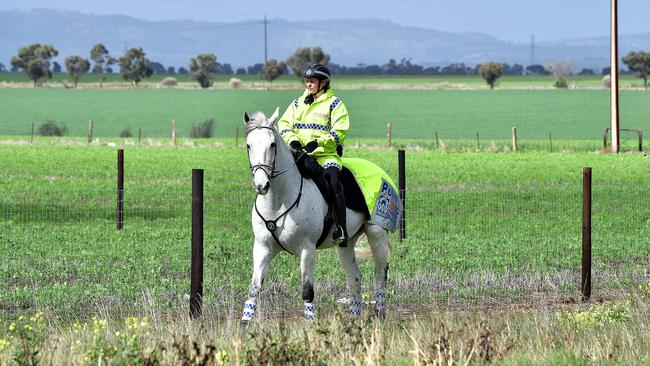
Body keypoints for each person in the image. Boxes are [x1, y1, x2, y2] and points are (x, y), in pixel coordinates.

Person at [278, 63, 350, 247]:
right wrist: (293, 141)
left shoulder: (335, 104)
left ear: (323, 83)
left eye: (312, 81)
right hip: (300, 154)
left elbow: (339, 131)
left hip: (326, 156)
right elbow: (284, 124)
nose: (308, 84)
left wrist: (318, 142)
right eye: (307, 81)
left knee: (334, 181)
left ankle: (341, 228)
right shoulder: (296, 103)